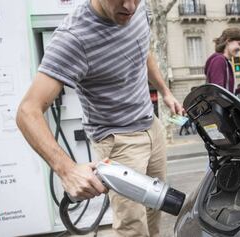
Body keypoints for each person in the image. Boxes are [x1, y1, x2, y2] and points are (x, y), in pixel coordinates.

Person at [16, 0, 183, 236]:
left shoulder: (140, 9)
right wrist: (67, 170)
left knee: (155, 209)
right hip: (119, 142)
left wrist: (165, 92)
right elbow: (27, 111)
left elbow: (144, 51)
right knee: (132, 226)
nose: (130, 7)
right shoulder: (73, 38)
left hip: (151, 125)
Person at [205, 27, 240, 95]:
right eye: (239, 44)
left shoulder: (225, 61)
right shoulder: (219, 60)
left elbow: (225, 92)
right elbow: (218, 94)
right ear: (228, 41)